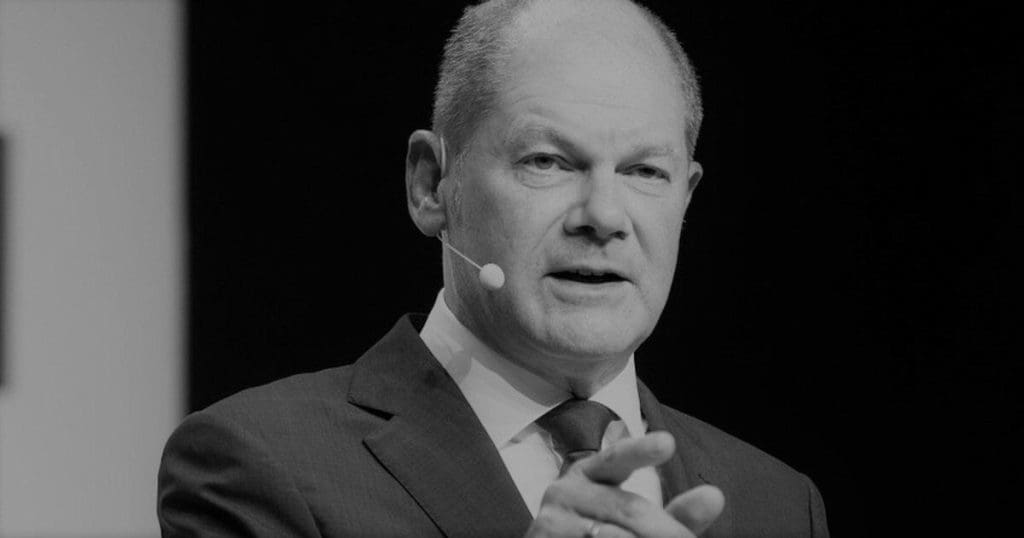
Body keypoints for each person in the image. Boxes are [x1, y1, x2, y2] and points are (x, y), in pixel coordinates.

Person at [158, 0, 829, 536]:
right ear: (431, 185)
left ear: (686, 198)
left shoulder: (777, 504)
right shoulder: (261, 464)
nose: (604, 215)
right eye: (548, 161)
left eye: (645, 171)